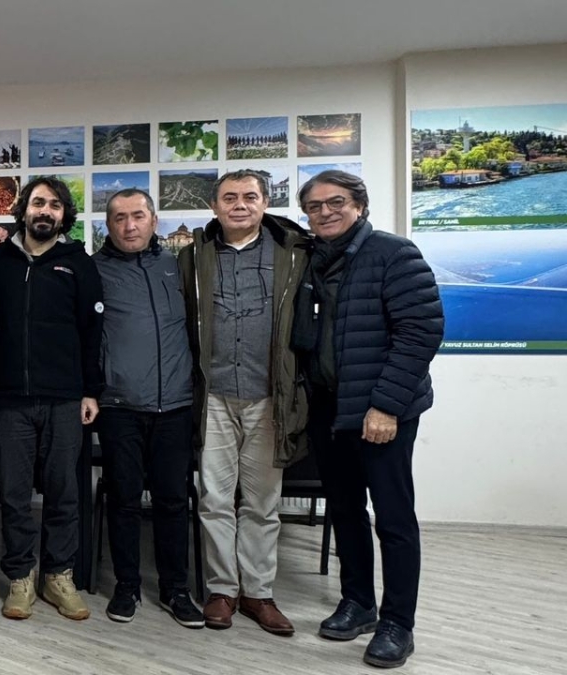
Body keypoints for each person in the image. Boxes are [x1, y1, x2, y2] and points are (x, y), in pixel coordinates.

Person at [292, 170, 443, 668]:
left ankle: (399, 623)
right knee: (345, 510)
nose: (325, 212)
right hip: (329, 408)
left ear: (359, 205)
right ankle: (358, 603)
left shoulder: (393, 253)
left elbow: (421, 332)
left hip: (381, 410)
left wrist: (386, 406)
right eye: (314, 207)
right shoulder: (312, 258)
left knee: (393, 519)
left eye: (335, 202)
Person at [177, 170, 310, 634]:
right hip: (212, 395)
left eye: (249, 197)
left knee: (262, 502)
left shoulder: (293, 253)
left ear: (265, 202)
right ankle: (221, 590)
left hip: (271, 395)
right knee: (214, 499)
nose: (239, 205)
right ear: (214, 206)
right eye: (229, 197)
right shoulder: (194, 256)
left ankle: (258, 592)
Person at [0, 177, 103, 621]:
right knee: (14, 494)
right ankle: (20, 576)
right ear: (24, 210)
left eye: (54, 205)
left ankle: (58, 575)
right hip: (9, 397)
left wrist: (91, 390)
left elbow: (93, 332)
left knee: (63, 492)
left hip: (64, 398)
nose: (45, 211)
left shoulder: (79, 264)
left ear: (63, 214)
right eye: (38, 202)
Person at [92, 188, 203, 628]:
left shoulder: (178, 266)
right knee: (123, 499)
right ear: (108, 225)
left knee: (173, 500)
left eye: (138, 215)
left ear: (154, 221)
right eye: (119, 218)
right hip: (119, 405)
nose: (129, 225)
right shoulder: (94, 270)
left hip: (175, 404)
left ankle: (176, 589)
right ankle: (127, 585)